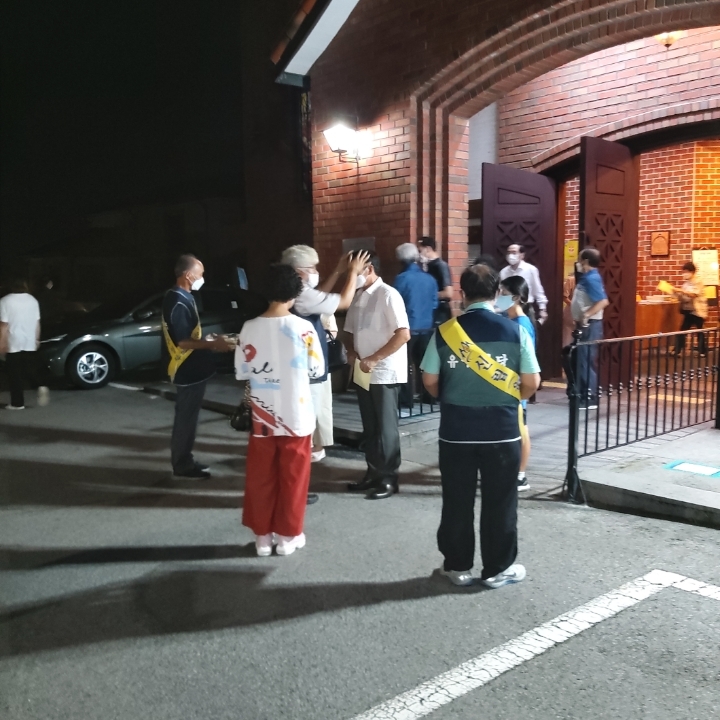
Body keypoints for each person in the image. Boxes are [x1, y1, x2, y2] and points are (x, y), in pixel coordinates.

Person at [420, 264, 540, 588]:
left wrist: (450, 395)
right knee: (500, 501)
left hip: (456, 431)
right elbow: (531, 383)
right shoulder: (515, 331)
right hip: (502, 431)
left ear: (462, 294)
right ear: (497, 293)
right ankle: (497, 569)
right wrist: (508, 399)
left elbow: (429, 380)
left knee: (456, 501)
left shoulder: (445, 332)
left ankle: (457, 567)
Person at [235, 264, 324, 557]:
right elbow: (317, 370)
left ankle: (263, 538)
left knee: (261, 477)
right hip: (296, 415)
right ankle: (288, 536)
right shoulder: (304, 328)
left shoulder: (249, 327)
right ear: (294, 293)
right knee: (294, 478)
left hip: (262, 415)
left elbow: (241, 371)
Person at [281, 245, 370, 463]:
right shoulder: (301, 294)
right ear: (298, 271)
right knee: (312, 411)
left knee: (318, 407)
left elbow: (320, 293)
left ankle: (312, 449)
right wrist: (352, 272)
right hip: (308, 364)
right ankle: (309, 453)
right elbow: (342, 303)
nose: (315, 272)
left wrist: (339, 271)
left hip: (306, 361)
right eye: (311, 268)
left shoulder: (296, 291)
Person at [342, 250, 410, 499]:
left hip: (383, 371)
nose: (352, 276)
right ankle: (372, 473)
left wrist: (375, 358)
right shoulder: (358, 296)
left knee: (385, 428)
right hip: (363, 370)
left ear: (369, 269)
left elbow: (403, 334)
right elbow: (347, 331)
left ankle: (389, 477)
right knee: (370, 426)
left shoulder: (388, 295)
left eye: (355, 271)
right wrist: (351, 351)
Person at [162, 254, 234, 479]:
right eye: (200, 274)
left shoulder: (185, 296)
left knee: (189, 418)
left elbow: (190, 335)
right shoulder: (176, 301)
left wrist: (208, 339)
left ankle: (185, 459)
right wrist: (213, 344)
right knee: (186, 419)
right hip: (186, 370)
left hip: (194, 368)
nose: (202, 278)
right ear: (188, 275)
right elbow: (183, 342)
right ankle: (182, 465)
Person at [498, 276, 535, 492]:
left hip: (517, 384)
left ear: (516, 297)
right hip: (510, 383)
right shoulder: (513, 321)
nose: (499, 297)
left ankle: (520, 475)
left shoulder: (521, 324)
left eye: (503, 293)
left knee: (521, 430)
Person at [393, 243, 438, 406]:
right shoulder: (430, 279)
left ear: (400, 260)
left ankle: (406, 399)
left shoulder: (401, 279)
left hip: (407, 327)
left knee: (404, 363)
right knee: (426, 363)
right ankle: (429, 395)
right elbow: (434, 303)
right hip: (427, 326)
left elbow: (395, 303)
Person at [0, 277, 50, 410]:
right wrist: (37, 339)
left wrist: (2, 342)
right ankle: (41, 385)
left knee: (14, 373)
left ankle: (17, 403)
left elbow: (4, 325)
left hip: (13, 340)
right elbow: (37, 322)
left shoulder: (5, 301)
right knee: (29, 368)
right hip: (29, 340)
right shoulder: (33, 300)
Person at [570, 247, 609, 411]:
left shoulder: (592, 278)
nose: (577, 262)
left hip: (590, 325)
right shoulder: (587, 277)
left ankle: (590, 397)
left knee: (586, 361)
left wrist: (586, 314)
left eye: (579, 259)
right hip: (585, 324)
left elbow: (603, 301)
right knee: (581, 360)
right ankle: (582, 394)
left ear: (585, 261)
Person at [499, 244, 548, 325]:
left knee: (528, 330)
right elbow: (501, 293)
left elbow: (538, 290)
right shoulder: (503, 272)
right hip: (508, 309)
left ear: (522, 255)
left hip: (526, 308)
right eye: (509, 253)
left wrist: (543, 309)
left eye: (514, 252)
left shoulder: (531, 270)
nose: (511, 255)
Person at [671, 262, 707, 357]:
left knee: (700, 331)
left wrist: (680, 291)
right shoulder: (686, 284)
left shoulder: (698, 281)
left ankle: (702, 352)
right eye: (683, 272)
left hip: (698, 310)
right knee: (683, 330)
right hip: (689, 310)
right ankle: (677, 350)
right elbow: (684, 297)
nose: (684, 274)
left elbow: (693, 294)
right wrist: (674, 292)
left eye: (686, 272)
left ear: (692, 272)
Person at [418, 237, 454, 324]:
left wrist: (428, 295)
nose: (418, 254)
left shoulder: (441, 266)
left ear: (428, 249)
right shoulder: (426, 266)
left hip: (440, 311)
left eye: (420, 251)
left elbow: (448, 293)